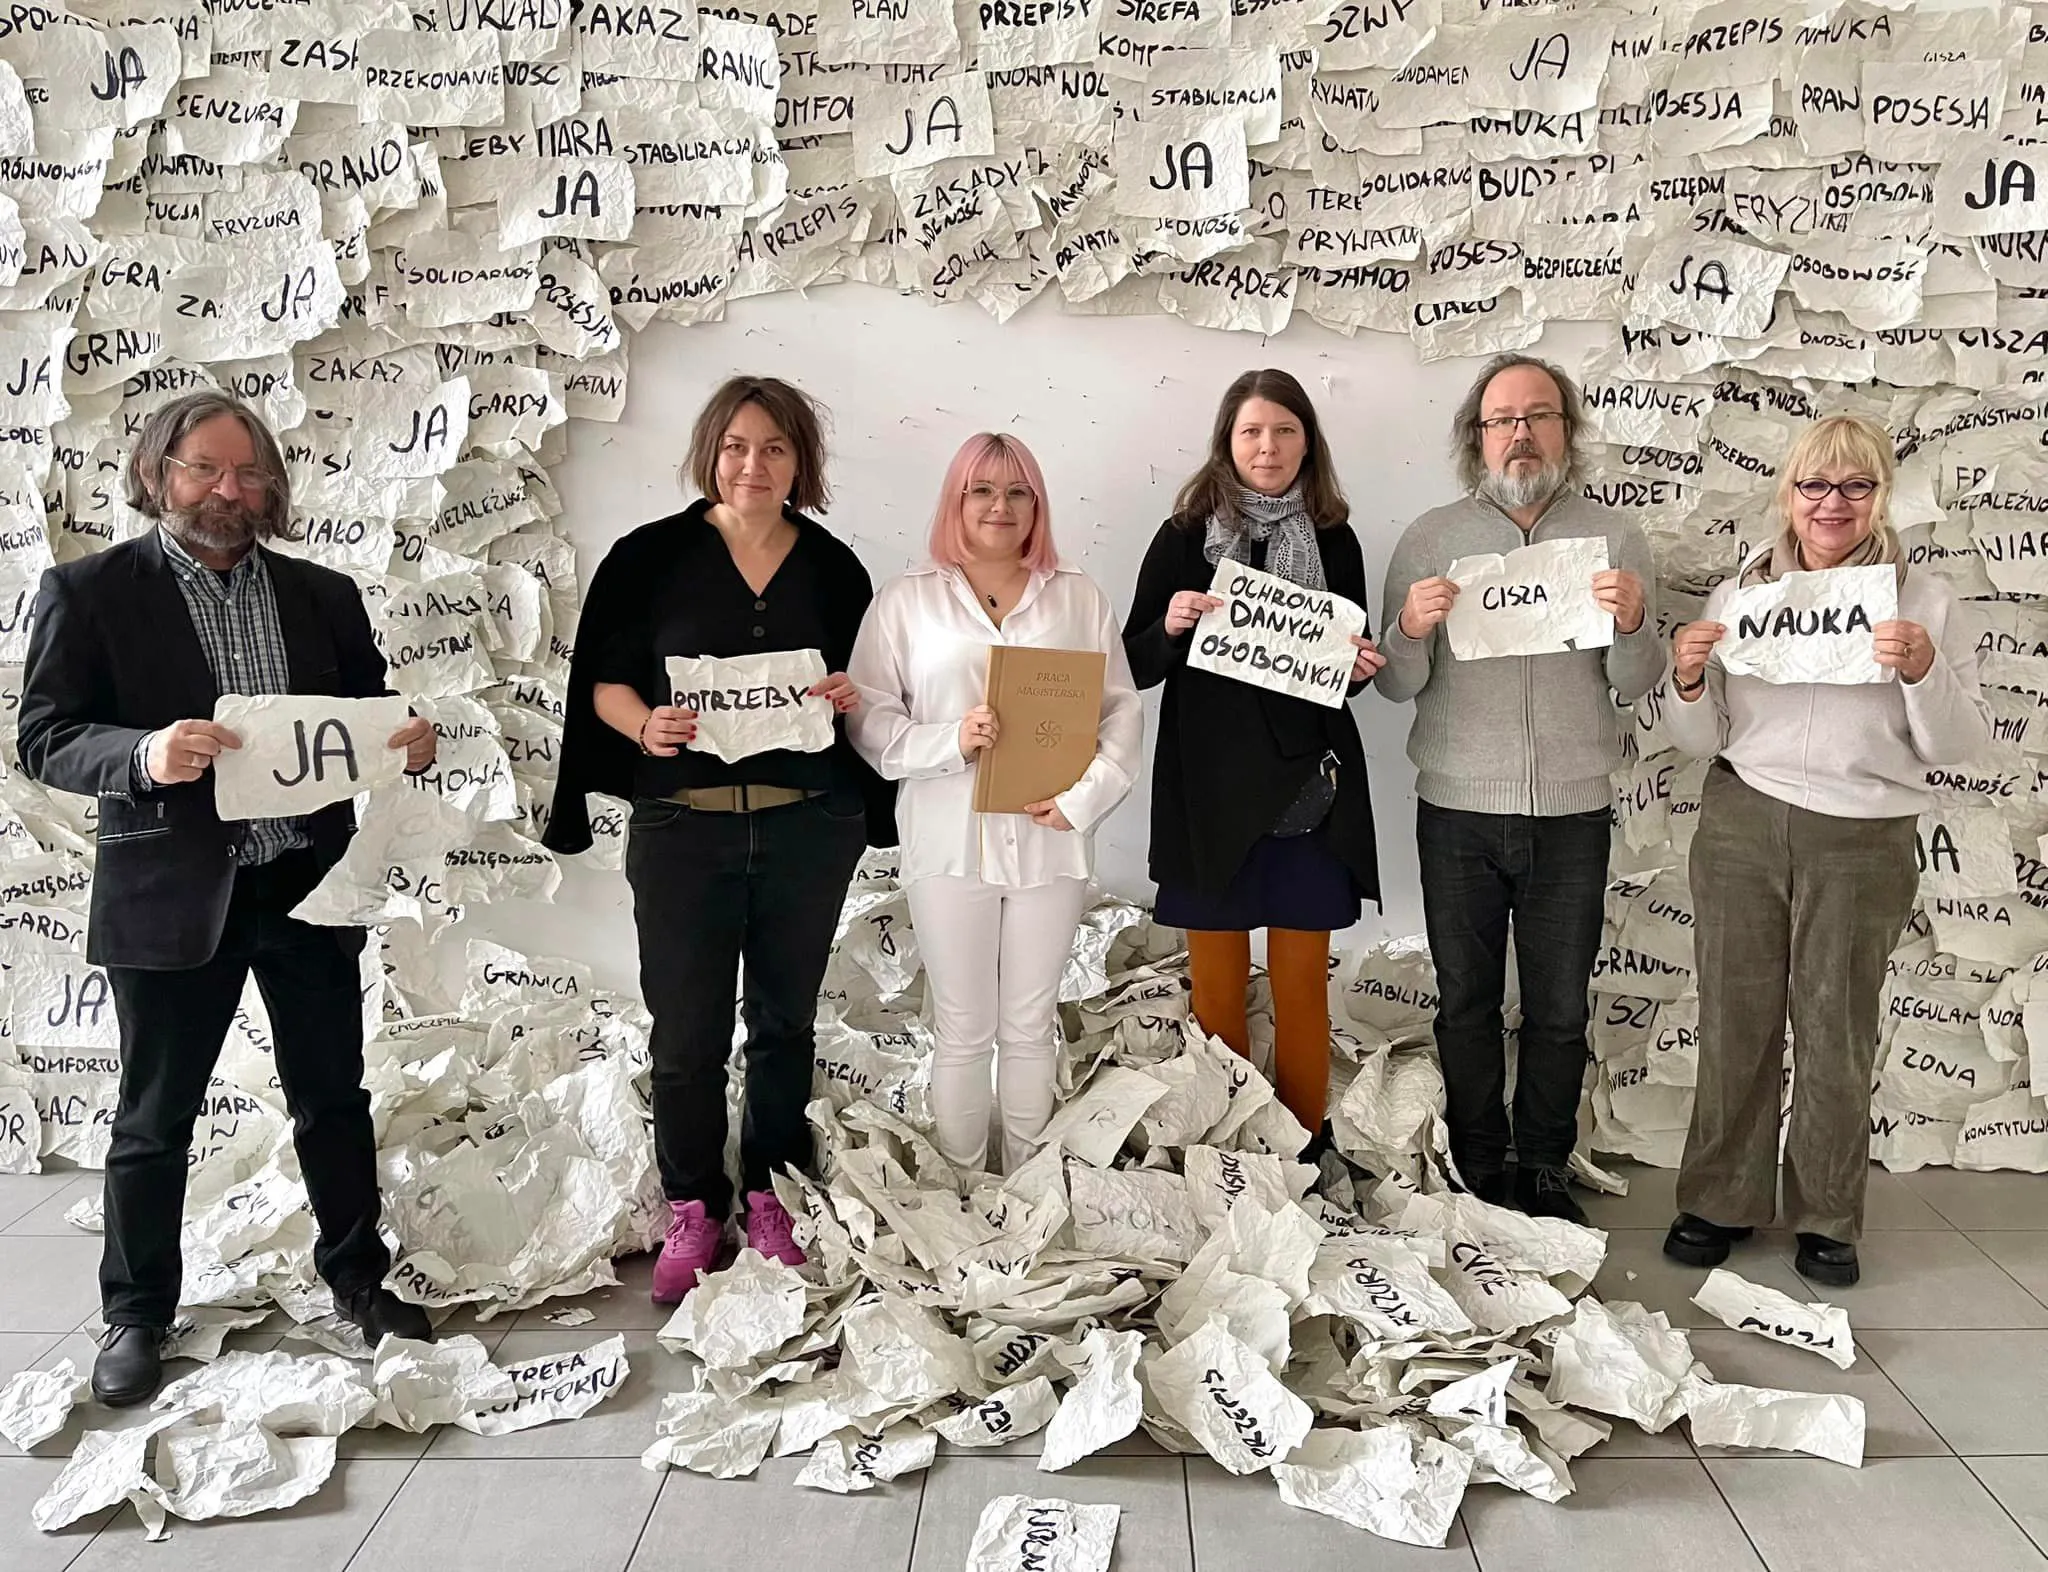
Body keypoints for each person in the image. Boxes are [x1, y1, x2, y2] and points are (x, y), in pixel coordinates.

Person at [15, 391, 439, 1407]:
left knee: (332, 1096)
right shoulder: (87, 592)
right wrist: (144, 755)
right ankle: (136, 1315)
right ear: (157, 473)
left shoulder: (323, 595)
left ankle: (359, 1280)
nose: (229, 490)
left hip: (307, 886)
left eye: (248, 473)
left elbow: (365, 717)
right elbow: (45, 738)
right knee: (154, 1117)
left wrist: (407, 740)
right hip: (169, 892)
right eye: (204, 468)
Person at [547, 375, 887, 1305]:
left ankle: (772, 1193)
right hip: (682, 830)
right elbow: (603, 683)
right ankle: (694, 1204)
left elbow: (868, 685)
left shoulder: (835, 567)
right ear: (710, 452)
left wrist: (852, 695)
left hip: (806, 826)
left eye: (775, 447)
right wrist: (643, 724)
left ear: (800, 462)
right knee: (686, 1031)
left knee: (784, 1024)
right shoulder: (648, 557)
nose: (753, 464)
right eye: (736, 445)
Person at [1660, 413, 1990, 1287]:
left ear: (1883, 495)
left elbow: (1958, 745)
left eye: (1856, 485)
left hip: (1863, 833)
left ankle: (1827, 1213)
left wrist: (1923, 671)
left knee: (1837, 1025)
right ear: (1788, 494)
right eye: (1815, 485)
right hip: (1743, 818)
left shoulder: (1926, 601)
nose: (1832, 503)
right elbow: (1702, 739)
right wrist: (1686, 680)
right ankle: (1719, 1198)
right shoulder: (1741, 594)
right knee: (1734, 1017)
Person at [1377, 354, 1661, 1223]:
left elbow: (1637, 680)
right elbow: (1394, 684)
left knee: (1559, 1008)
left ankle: (1541, 1165)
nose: (1521, 434)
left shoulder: (1615, 538)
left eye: (1539, 415)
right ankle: (1475, 1161)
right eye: (1503, 419)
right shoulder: (1430, 537)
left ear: (1567, 432)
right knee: (1464, 1001)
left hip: (1573, 811)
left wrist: (1635, 623)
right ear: (1477, 437)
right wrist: (1408, 627)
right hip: (1457, 808)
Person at [848, 434, 1143, 1174]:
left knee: (1030, 1024)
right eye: (981, 490)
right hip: (948, 838)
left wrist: (1083, 800)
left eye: (1017, 492)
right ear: (956, 500)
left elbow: (1119, 711)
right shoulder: (906, 601)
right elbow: (870, 719)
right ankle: (963, 1183)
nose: (999, 506)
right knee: (962, 1027)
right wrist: (950, 740)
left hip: (1050, 838)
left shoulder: (1077, 596)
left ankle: (1026, 1185)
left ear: (1036, 505)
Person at [1123, 369, 1384, 1146]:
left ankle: (1302, 1147)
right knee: (1216, 994)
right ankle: (1228, 1149)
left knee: (1303, 990)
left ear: (1307, 443)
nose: (1267, 447)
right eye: (1252, 432)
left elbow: (1342, 675)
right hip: (1207, 799)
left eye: (1284, 431)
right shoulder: (1182, 536)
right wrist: (1169, 625)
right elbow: (1132, 664)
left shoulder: (1335, 539)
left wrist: (1359, 667)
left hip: (1309, 796)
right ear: (1227, 443)